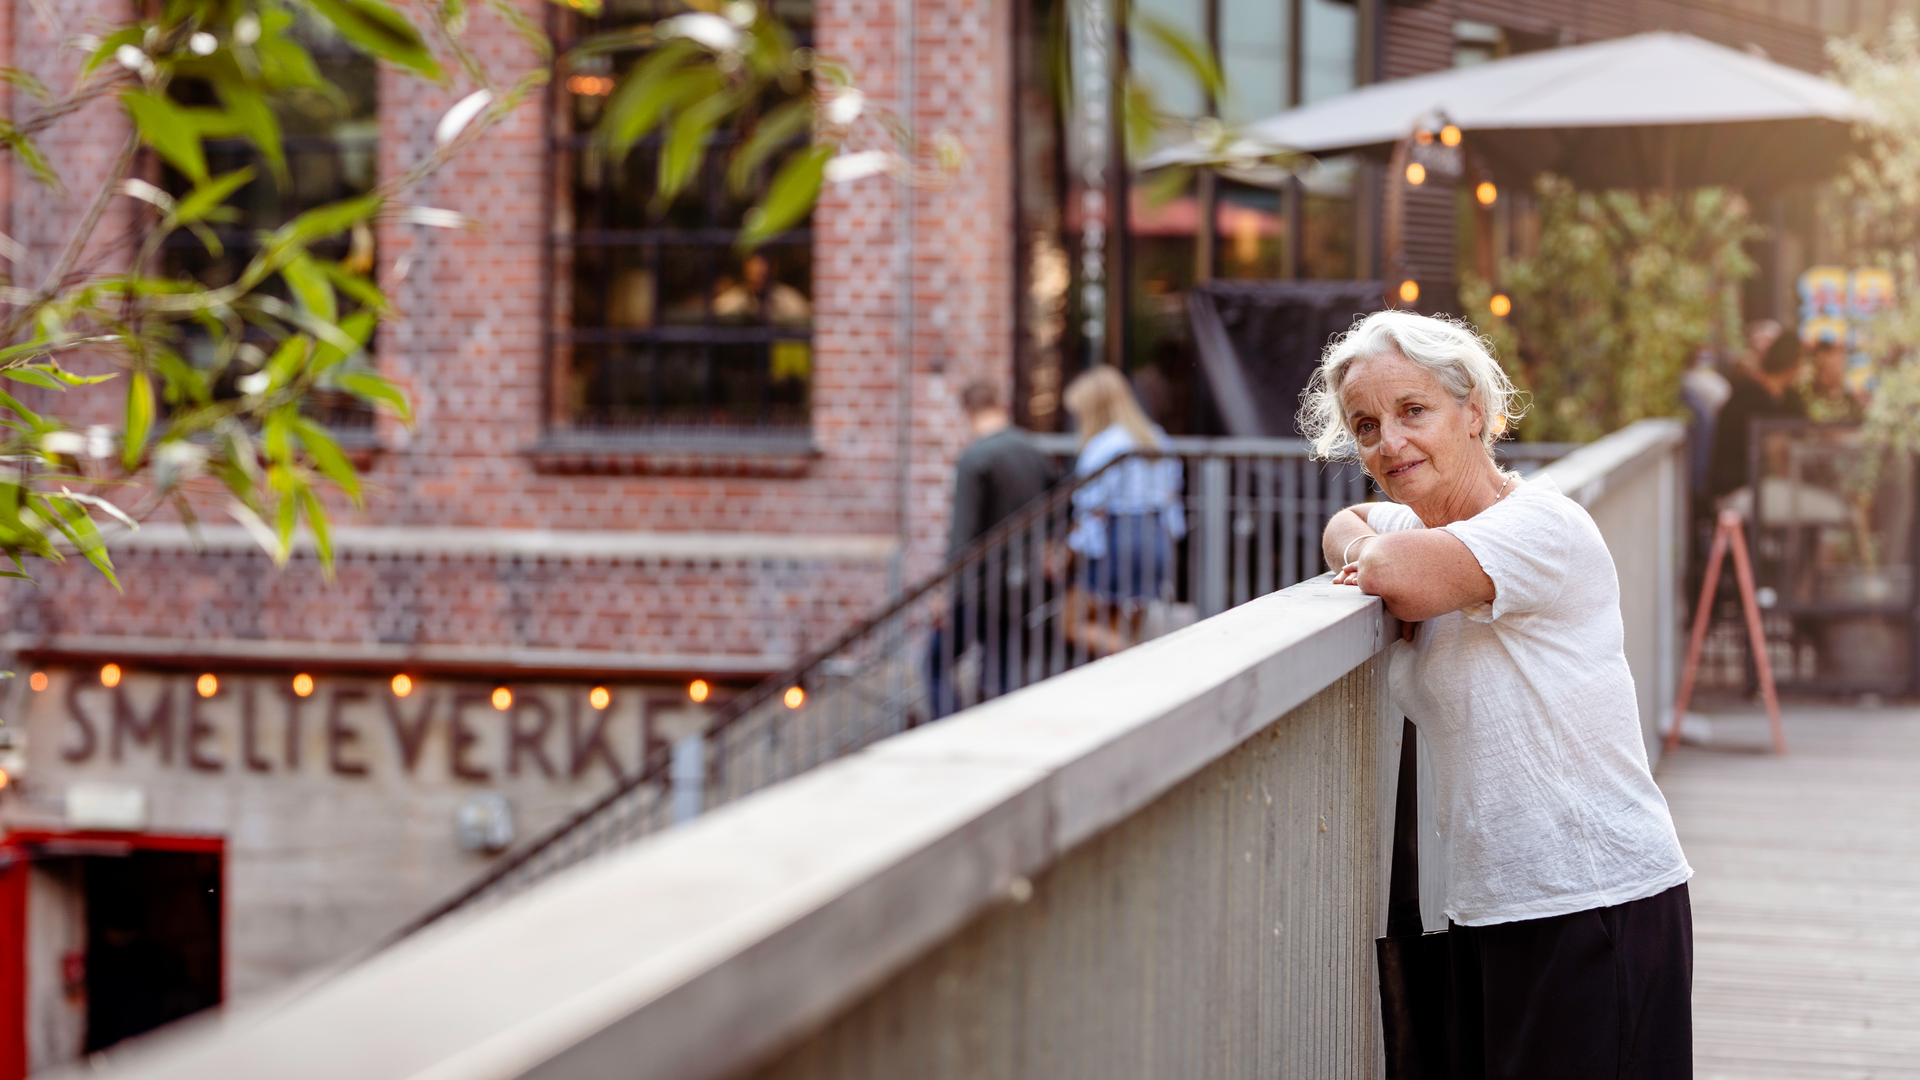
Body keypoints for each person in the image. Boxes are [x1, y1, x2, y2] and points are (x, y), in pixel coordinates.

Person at [1306, 310, 1693, 1079]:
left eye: (1414, 411)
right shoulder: (1427, 528)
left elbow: (1393, 575)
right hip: (1492, 908)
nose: (1389, 443)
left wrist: (1383, 565)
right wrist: (1373, 549)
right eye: (1366, 424)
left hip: (1594, 902)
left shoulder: (1540, 526)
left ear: (1474, 411)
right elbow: (1346, 525)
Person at [928, 380, 1056, 717]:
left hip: (979, 585)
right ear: (998, 404)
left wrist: (945, 590)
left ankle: (947, 732)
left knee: (934, 663)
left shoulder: (975, 458)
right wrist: (1050, 548)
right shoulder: (1033, 451)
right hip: (1023, 581)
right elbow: (1062, 502)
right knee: (1000, 673)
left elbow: (963, 533)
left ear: (967, 412)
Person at [1062, 366, 1186, 653]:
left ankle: (1145, 661)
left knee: (1071, 623)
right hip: (1155, 538)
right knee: (1119, 626)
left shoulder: (1104, 445)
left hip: (1119, 539)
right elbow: (1172, 494)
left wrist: (1070, 547)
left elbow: (1091, 505)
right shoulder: (1155, 436)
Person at [1708, 329, 1807, 502]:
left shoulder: (1789, 399)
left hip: (1769, 487)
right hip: (1741, 489)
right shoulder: (1746, 399)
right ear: (1794, 366)